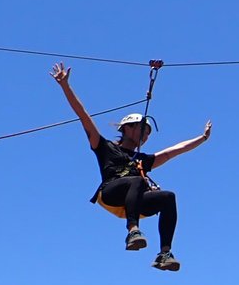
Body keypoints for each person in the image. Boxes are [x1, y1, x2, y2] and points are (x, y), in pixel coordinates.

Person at [50, 62, 212, 271]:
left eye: (147, 134)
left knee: (168, 197)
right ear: (127, 128)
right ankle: (133, 230)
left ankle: (164, 253)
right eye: (142, 130)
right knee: (136, 180)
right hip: (111, 192)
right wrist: (65, 86)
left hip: (135, 200)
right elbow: (84, 117)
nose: (145, 136)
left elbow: (173, 151)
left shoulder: (143, 159)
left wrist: (202, 138)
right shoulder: (104, 146)